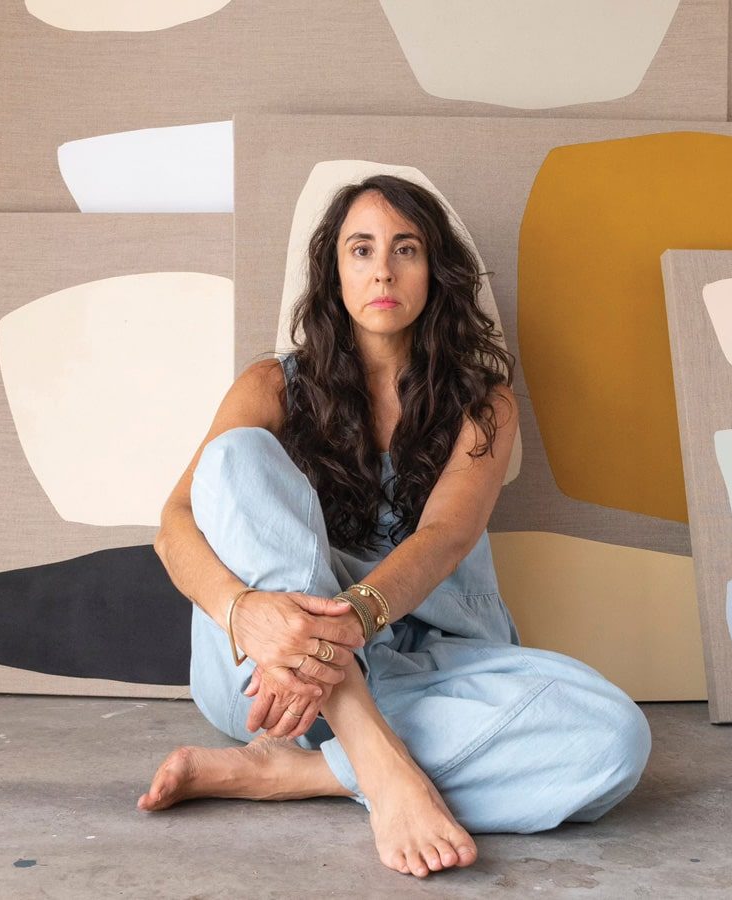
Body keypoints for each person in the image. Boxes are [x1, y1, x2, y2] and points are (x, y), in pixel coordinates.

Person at [138, 174, 650, 878]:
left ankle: (298, 775)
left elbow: (444, 537)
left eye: (405, 249)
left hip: (430, 664)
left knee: (614, 739)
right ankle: (373, 758)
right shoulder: (270, 385)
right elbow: (173, 525)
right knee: (235, 457)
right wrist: (244, 611)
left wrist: (351, 621)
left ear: (434, 272)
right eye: (361, 249)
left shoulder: (484, 403)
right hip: (266, 678)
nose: (383, 268)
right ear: (334, 272)